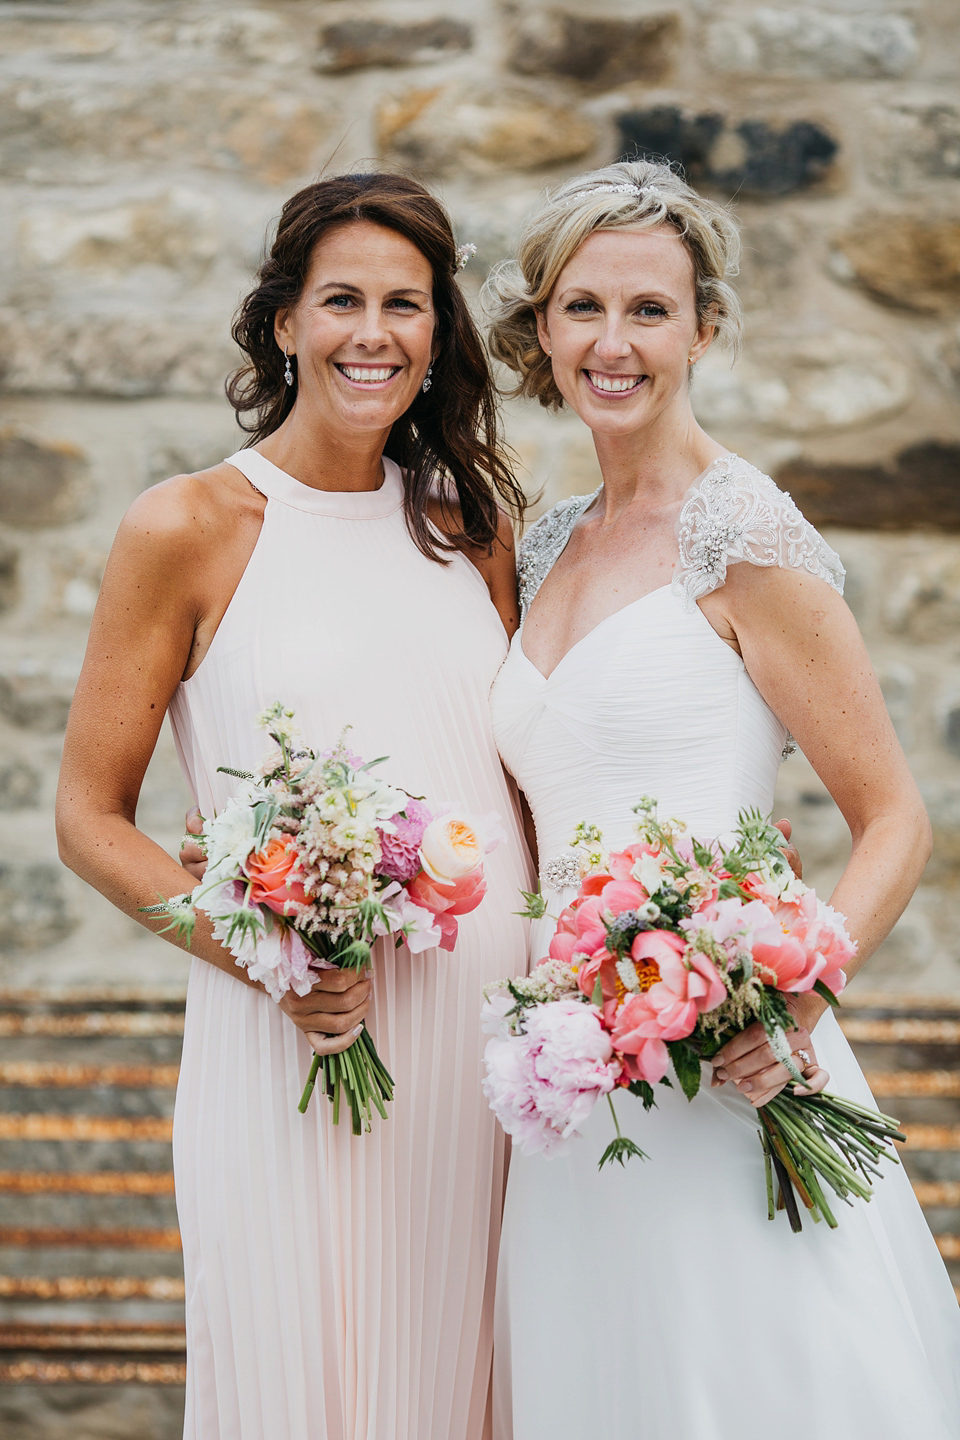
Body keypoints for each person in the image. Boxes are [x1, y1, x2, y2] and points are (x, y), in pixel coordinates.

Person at [482, 159, 960, 1440]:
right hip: (570, 1083)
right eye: (583, 307)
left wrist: (789, 1004)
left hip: (729, 1065)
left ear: (704, 327)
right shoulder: (542, 544)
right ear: (542, 328)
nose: (615, 342)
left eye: (651, 310)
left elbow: (895, 819)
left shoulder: (744, 531)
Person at [56, 171, 533, 1440]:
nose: (371, 333)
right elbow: (89, 819)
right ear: (283, 323)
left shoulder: (472, 529)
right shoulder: (190, 525)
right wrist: (265, 952)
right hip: (296, 1044)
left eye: (405, 304)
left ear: (438, 334)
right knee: (296, 1382)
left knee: (458, 1385)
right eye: (340, 301)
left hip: (475, 1066)